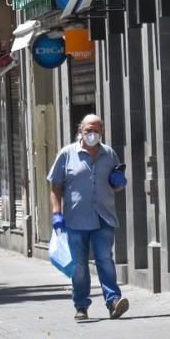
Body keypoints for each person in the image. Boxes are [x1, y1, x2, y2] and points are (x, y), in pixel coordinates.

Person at [47, 113, 130, 321]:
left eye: (96, 130)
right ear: (80, 131)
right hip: (76, 219)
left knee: (105, 260)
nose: (92, 134)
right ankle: (81, 306)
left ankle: (113, 301)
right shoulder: (66, 154)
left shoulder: (109, 154)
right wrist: (57, 214)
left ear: (101, 131)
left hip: (104, 217)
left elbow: (116, 187)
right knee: (80, 265)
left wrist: (119, 181)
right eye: (88, 130)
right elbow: (55, 186)